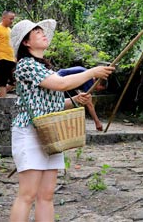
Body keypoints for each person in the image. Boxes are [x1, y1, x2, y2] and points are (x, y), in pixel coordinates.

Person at [8, 19, 115, 222]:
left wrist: (74, 101)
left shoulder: (45, 68)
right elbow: (62, 83)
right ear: (26, 42)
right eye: (36, 31)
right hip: (30, 132)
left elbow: (51, 103)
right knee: (27, 195)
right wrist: (92, 72)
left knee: (46, 195)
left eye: (42, 30)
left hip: (50, 132)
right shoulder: (26, 65)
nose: (42, 33)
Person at [56, 66, 107, 131]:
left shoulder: (87, 73)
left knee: (76, 99)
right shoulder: (89, 79)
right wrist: (97, 122)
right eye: (99, 89)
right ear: (98, 83)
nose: (97, 90)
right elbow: (89, 104)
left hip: (60, 79)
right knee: (75, 102)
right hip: (60, 81)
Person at [0, 10, 16, 98]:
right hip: (2, 57)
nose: (12, 21)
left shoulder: (10, 30)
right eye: (10, 19)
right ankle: (3, 102)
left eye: (13, 19)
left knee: (14, 82)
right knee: (3, 80)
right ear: (4, 18)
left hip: (11, 58)